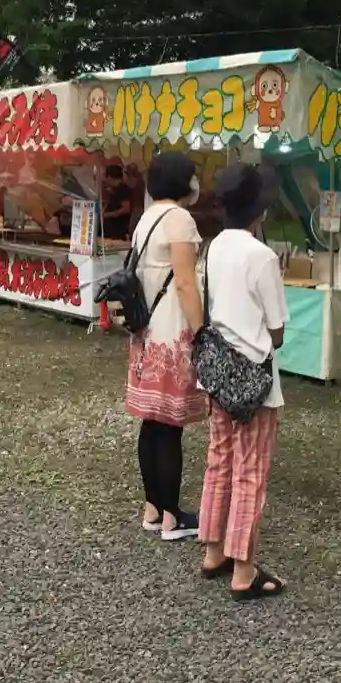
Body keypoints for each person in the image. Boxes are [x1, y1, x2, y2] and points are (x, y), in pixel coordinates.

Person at [197, 163, 289, 601]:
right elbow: (278, 330)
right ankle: (244, 570)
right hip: (253, 380)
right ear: (260, 209)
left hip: (217, 374)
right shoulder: (262, 256)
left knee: (220, 461)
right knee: (251, 472)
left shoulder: (214, 246)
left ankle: (213, 551)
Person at [124, 151, 208, 541]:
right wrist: (202, 332)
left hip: (146, 334)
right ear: (181, 180)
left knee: (152, 422)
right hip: (172, 331)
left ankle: (153, 508)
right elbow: (186, 283)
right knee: (171, 426)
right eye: (192, 176)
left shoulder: (147, 218)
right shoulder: (179, 219)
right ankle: (172, 517)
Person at [100, 164, 135, 241]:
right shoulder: (115, 189)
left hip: (117, 230)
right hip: (111, 230)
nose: (104, 180)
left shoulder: (123, 189)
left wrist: (107, 215)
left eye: (105, 176)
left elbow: (126, 209)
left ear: (109, 177)